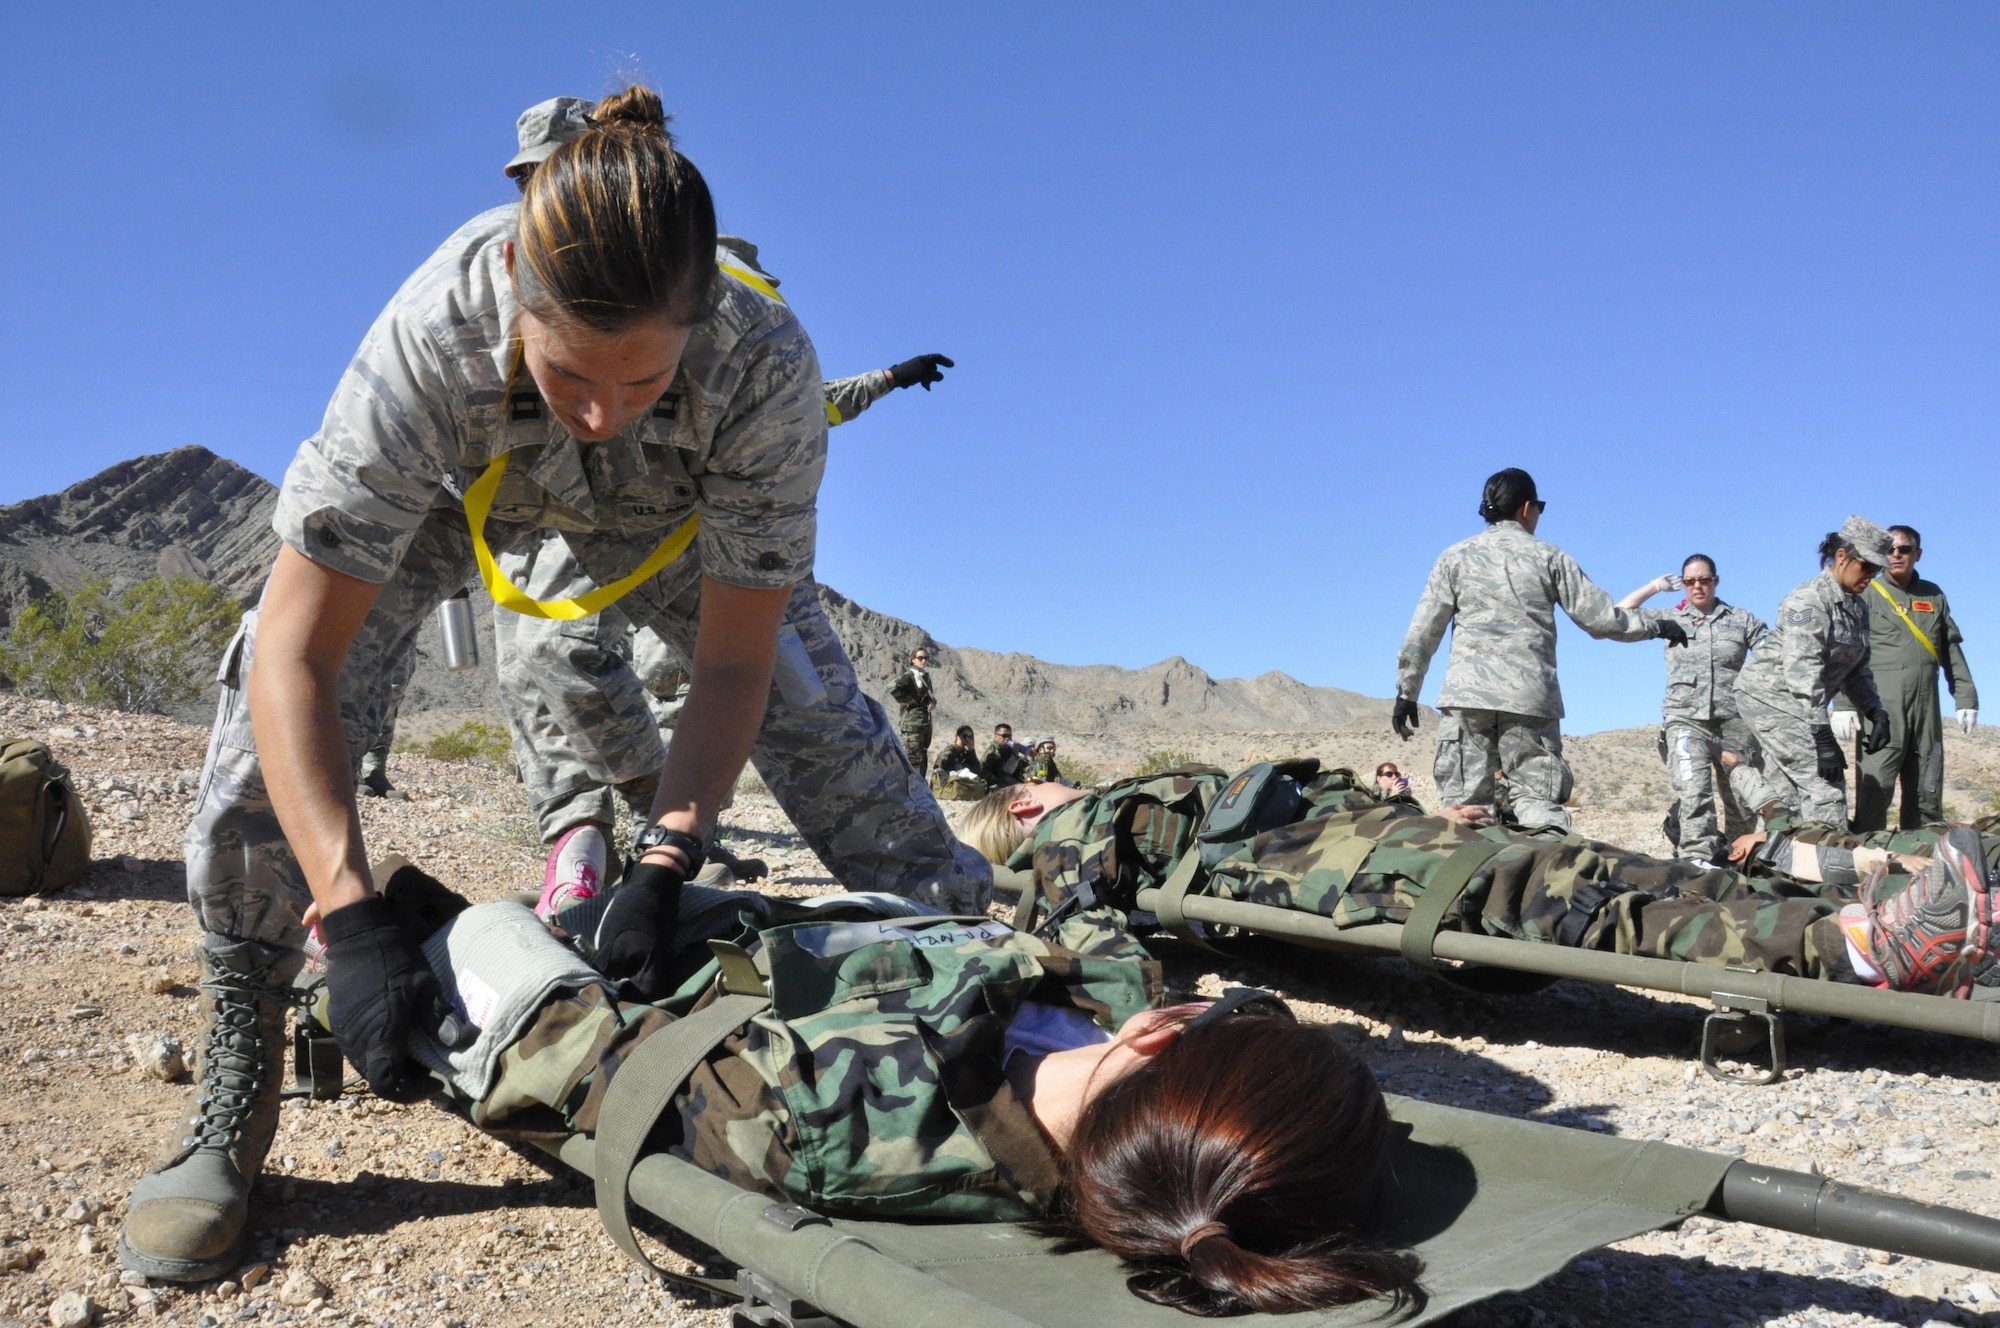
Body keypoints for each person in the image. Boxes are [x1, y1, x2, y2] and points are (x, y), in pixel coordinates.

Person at [120, 86, 989, 1284]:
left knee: (823, 722)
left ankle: (984, 968)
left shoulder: (763, 369)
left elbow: (733, 659)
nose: (597, 415)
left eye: (642, 383)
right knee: (247, 730)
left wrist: (668, 854)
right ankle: (236, 1062)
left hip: (669, 523)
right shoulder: (436, 332)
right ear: (519, 292)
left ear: (699, 321)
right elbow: (297, 653)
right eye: (572, 373)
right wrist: (353, 910)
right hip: (453, 496)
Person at [362, 861, 1428, 1316]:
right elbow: (1077, 944)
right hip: (821, 920)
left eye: (1232, 1011)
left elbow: (576, 1057)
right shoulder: (1110, 1023)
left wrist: (396, 929)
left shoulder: (841, 1116)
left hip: (667, 968)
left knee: (485, 935)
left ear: (1161, 1041)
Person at [968, 762, 1997, 998]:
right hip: (1378, 877)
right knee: (1608, 911)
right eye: (1037, 782)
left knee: (1633, 868)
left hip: (1397, 839)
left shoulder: (1122, 799)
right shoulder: (1071, 824)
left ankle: (1885, 917)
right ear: (1022, 806)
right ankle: (1864, 950)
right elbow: (1074, 928)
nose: (1052, 777)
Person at [1392, 468, 1683, 832]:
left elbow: (1423, 631)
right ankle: (1547, 882)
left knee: (1466, 811)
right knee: (1537, 806)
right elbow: (1601, 620)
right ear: (1527, 508)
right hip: (1529, 700)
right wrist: (1658, 625)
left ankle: (1470, 885)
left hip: (1467, 700)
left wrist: (1407, 691)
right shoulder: (1549, 557)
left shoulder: (1454, 557)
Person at [1730, 519, 1895, 832]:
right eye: (1867, 567)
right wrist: (1822, 736)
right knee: (1825, 785)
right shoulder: (1809, 599)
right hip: (1770, 698)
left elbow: (1856, 669)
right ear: (1843, 557)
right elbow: (1802, 672)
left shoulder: (1857, 608)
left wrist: (1876, 710)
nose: (1872, 576)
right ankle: (1834, 871)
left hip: (1798, 704)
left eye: (1878, 570)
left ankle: (1775, 869)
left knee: (1787, 794)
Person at [1618, 555, 1769, 866]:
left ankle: (1739, 862)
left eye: (1704, 580)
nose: (1697, 586)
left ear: (1715, 580)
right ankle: (1697, 864)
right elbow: (1618, 615)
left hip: (1734, 723)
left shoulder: (1741, 620)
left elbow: (1773, 654)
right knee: (1694, 792)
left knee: (1741, 802)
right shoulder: (1672, 618)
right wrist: (1654, 587)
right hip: (1686, 719)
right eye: (1689, 581)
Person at [1831, 525, 1980, 833]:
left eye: (1905, 549)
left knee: (1927, 787)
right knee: (1876, 788)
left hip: (1926, 708)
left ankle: (1925, 863)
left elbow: (1950, 647)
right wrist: (1843, 702)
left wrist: (1966, 696)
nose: (1896, 555)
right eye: (1890, 549)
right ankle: (1869, 866)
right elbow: (1847, 650)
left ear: (1918, 554)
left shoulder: (1933, 594)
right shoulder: (1866, 591)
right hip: (1882, 707)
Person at [889, 647, 938, 767]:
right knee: (913, 764)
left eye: (926, 658)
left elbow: (927, 697)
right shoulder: (911, 675)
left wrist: (931, 702)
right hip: (912, 727)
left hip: (923, 727)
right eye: (920, 658)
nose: (923, 661)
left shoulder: (924, 677)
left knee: (922, 762)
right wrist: (911, 701)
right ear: (913, 660)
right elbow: (893, 687)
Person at [932, 725, 987, 800]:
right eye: (965, 736)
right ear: (958, 737)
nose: (968, 739)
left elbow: (977, 770)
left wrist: (971, 751)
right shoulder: (950, 750)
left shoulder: (966, 753)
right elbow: (941, 770)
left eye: (970, 737)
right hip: (950, 783)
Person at [983, 723, 1029, 790]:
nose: (1007, 738)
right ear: (996, 736)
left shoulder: (1009, 749)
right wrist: (1014, 756)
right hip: (998, 786)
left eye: (1009, 736)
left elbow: (1023, 766)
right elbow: (1004, 773)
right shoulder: (992, 753)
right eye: (1004, 736)